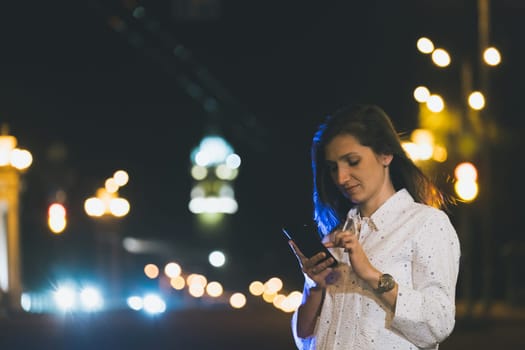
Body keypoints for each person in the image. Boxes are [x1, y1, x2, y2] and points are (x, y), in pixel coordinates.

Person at [288, 104, 461, 349]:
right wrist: (314, 288)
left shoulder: (427, 224)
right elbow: (305, 338)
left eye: (352, 161)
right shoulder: (336, 236)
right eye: (333, 167)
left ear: (385, 154)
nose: (341, 178)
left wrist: (371, 274)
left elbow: (438, 324)